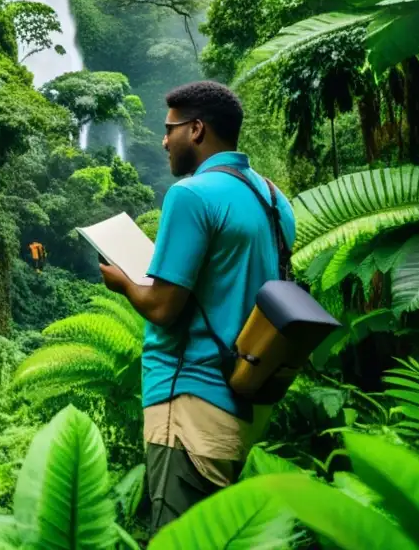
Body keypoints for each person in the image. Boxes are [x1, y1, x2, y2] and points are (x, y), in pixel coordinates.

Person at [98, 81, 295, 531]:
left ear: (198, 129)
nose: (164, 140)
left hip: (189, 401)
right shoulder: (272, 198)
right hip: (247, 395)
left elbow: (165, 307)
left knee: (179, 538)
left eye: (171, 129)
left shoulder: (190, 196)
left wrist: (124, 283)